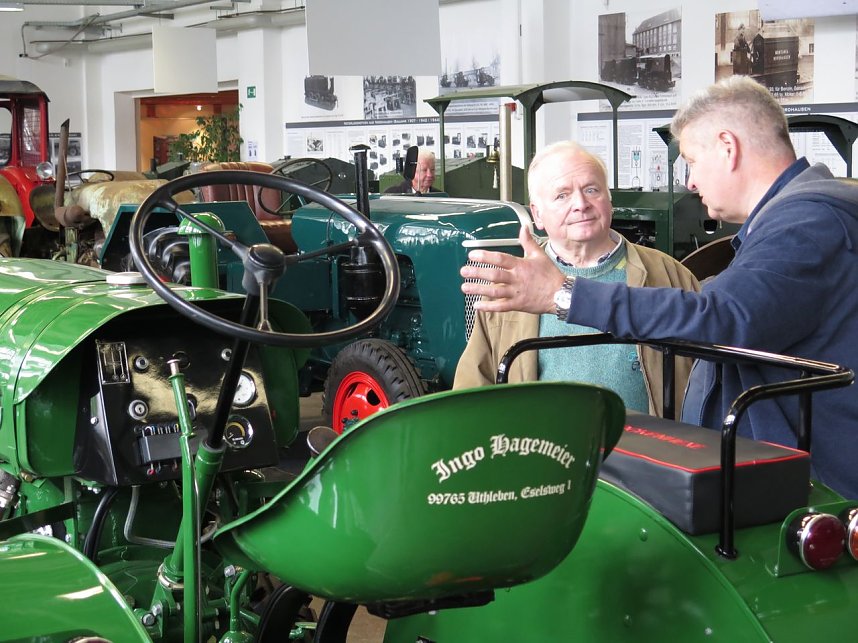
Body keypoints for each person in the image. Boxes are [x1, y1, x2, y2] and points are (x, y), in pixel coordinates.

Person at [460, 75, 858, 499]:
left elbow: (723, 318)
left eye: (690, 159)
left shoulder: (805, 223)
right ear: (537, 213)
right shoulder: (801, 217)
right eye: (562, 196)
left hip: (814, 482)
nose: (690, 181)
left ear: (728, 147)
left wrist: (564, 295)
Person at [454, 141, 699, 418]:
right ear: (537, 215)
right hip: (543, 455)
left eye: (592, 189)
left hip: (649, 455)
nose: (581, 204)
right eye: (562, 196)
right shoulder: (511, 287)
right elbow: (473, 389)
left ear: (609, 199)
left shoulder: (669, 275)